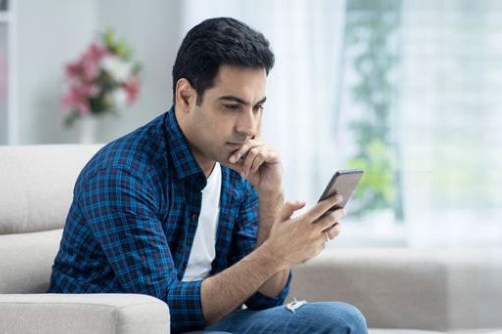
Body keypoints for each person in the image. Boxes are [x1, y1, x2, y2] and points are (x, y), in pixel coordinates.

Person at [49, 17, 368, 333]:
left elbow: (264, 298)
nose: (250, 127)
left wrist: (270, 197)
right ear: (185, 96)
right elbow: (164, 311)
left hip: (207, 324)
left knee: (344, 321)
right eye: (232, 106)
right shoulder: (121, 176)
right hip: (134, 327)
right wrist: (276, 253)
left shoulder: (235, 165)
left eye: (257, 107)